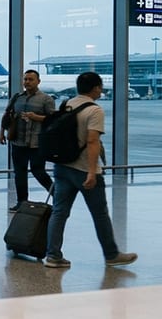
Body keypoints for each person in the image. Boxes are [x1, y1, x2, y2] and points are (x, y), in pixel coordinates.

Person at [43, 72, 137, 268]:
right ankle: (111, 254)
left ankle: (53, 255)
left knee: (59, 212)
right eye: (100, 87)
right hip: (84, 169)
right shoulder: (94, 110)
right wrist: (92, 172)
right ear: (96, 88)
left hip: (62, 166)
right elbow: (93, 141)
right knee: (100, 213)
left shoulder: (67, 104)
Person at [0, 69, 55, 211]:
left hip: (36, 142)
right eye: (25, 79)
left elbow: (53, 119)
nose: (27, 82)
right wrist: (2, 133)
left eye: (31, 79)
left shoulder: (46, 99)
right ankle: (22, 202)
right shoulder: (17, 97)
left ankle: (57, 195)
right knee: (20, 173)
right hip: (18, 141)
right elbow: (7, 115)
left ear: (38, 81)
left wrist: (36, 117)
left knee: (38, 171)